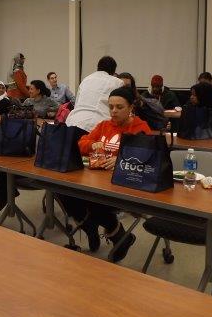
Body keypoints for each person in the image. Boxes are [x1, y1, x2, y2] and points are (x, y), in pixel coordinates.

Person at [61, 86, 151, 262]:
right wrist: (91, 145)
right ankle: (90, 228)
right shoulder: (104, 125)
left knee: (93, 200)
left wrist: (120, 160)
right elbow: (82, 143)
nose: (113, 111)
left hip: (122, 185)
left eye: (119, 107)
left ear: (131, 107)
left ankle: (119, 236)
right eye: (111, 107)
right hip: (97, 180)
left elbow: (146, 156)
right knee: (64, 192)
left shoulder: (140, 128)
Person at [66, 56, 123, 132]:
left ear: (98, 67)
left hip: (72, 123)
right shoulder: (117, 82)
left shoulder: (86, 79)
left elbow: (76, 104)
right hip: (97, 126)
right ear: (113, 71)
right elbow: (120, 109)